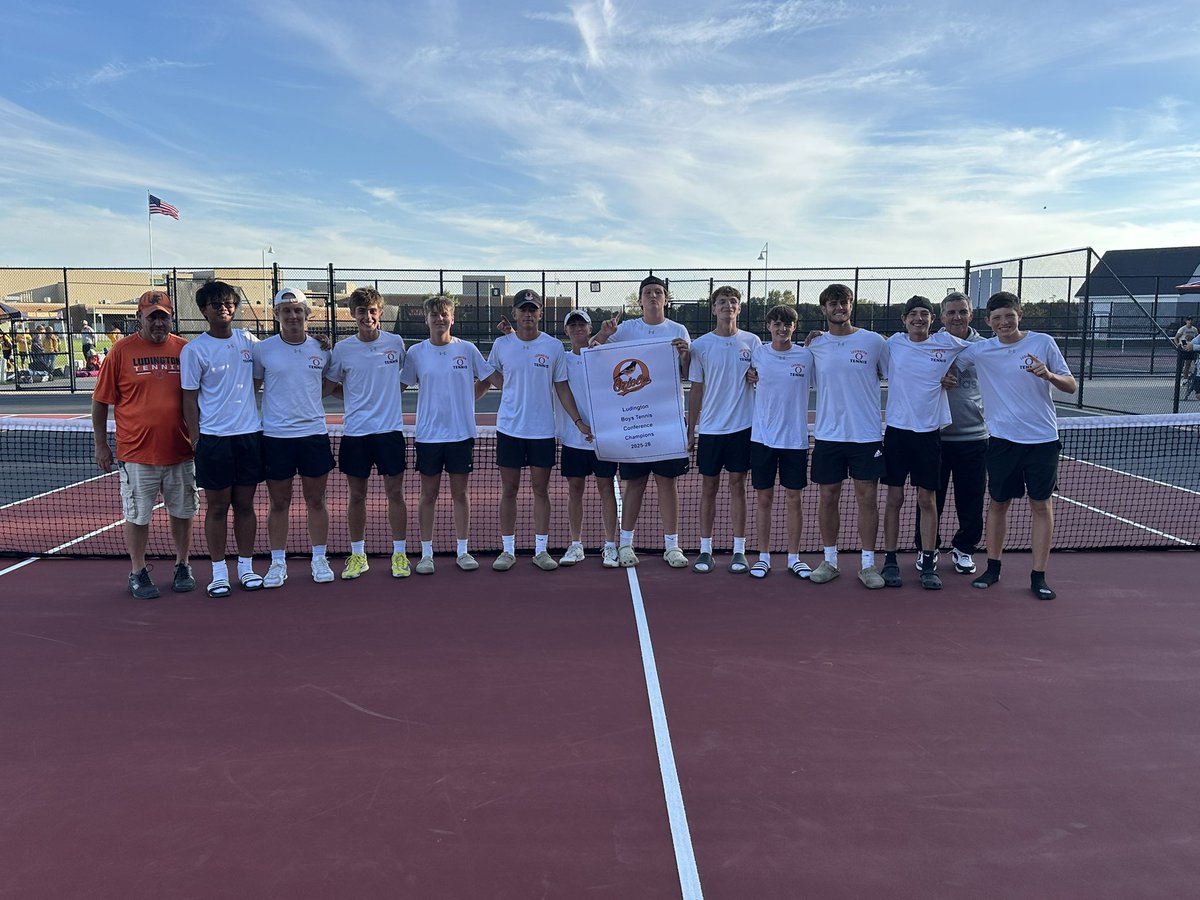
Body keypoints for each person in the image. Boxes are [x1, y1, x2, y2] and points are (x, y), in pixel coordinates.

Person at [955, 291, 1077, 600]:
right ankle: (993, 568)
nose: (1004, 322)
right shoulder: (981, 350)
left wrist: (1048, 374)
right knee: (998, 504)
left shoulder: (1042, 343)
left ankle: (1039, 576)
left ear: (1019, 314)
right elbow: (948, 360)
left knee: (1041, 505)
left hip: (1042, 441)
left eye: (1009, 316)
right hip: (1001, 441)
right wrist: (945, 376)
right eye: (997, 318)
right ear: (988, 322)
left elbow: (1071, 385)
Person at [91, 290, 197, 598]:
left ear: (170, 317)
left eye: (163, 316)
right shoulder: (120, 352)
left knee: (183, 512)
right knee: (138, 516)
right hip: (137, 455)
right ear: (139, 317)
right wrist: (101, 445)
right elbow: (100, 403)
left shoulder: (185, 350)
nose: (159, 322)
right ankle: (137, 572)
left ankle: (183, 565)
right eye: (152, 317)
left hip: (181, 451)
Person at [486, 289, 592, 571]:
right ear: (515, 314)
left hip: (542, 431)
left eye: (533, 309)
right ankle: (507, 550)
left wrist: (578, 421)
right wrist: (507, 386)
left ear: (540, 314)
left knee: (540, 490)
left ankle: (541, 550)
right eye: (523, 309)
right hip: (509, 429)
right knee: (509, 490)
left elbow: (562, 386)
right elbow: (491, 373)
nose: (528, 314)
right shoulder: (502, 344)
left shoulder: (553, 346)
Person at [592, 274, 692, 568]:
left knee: (667, 483)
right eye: (647, 292)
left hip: (666, 423)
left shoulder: (678, 330)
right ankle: (625, 544)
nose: (652, 296)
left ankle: (672, 546)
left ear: (665, 298)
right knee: (634, 484)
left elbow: (686, 373)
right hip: (633, 424)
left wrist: (685, 354)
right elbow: (596, 352)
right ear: (639, 300)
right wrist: (604, 333)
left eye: (658, 292)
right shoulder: (625, 330)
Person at [180, 280, 266, 597]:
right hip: (214, 440)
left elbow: (261, 373)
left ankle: (245, 568)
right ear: (205, 311)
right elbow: (189, 398)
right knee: (217, 508)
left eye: (229, 303)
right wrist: (195, 437)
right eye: (217, 305)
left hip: (249, 437)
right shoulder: (194, 350)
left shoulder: (249, 341)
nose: (225, 308)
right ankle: (219, 572)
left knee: (245, 506)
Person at [399, 295, 495, 574]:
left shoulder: (467, 349)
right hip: (428, 436)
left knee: (460, 494)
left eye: (445, 315)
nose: (439, 319)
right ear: (426, 319)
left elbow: (487, 379)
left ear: (452, 318)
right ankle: (426, 554)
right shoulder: (416, 353)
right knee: (427, 495)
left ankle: (462, 551)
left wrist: (467, 400)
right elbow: (400, 387)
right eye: (434, 315)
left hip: (461, 434)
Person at [878, 296, 969, 590]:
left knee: (927, 500)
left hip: (929, 435)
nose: (918, 318)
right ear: (904, 319)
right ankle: (890, 560)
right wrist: (814, 337)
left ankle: (928, 562)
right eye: (913, 314)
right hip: (897, 434)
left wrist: (954, 372)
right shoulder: (891, 345)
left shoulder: (947, 345)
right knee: (894, 500)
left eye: (924, 314)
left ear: (933, 319)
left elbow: (983, 349)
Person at [805, 283, 889, 589]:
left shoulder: (874, 342)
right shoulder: (814, 346)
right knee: (828, 497)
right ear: (824, 309)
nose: (839, 308)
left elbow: (900, 375)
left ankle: (868, 565)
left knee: (867, 499)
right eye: (833, 303)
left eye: (844, 303)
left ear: (851, 306)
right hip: (828, 435)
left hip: (866, 435)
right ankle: (830, 561)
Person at [324, 287, 410, 580]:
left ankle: (400, 554)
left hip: (389, 432)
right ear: (353, 314)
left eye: (373, 311)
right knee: (356, 496)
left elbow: (406, 378)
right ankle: (358, 555)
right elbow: (331, 384)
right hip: (356, 433)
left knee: (395, 494)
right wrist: (355, 398)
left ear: (380, 313)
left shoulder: (396, 343)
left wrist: (385, 396)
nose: (368, 316)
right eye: (362, 311)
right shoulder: (343, 349)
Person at [252, 287, 335, 588]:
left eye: (298, 310)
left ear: (306, 314)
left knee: (316, 500)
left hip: (313, 434)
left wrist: (310, 397)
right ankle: (277, 563)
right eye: (286, 311)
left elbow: (327, 385)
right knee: (279, 502)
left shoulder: (322, 348)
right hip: (276, 437)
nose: (293, 315)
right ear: (276, 315)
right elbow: (254, 388)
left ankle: (319, 558)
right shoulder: (263, 350)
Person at [686, 285, 761, 574]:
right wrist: (691, 429)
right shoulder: (701, 345)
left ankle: (739, 550)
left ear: (739, 308)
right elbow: (696, 390)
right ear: (713, 309)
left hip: (743, 428)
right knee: (708, 488)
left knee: (738, 488)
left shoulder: (752, 342)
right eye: (721, 302)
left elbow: (763, 376)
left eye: (733, 301)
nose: (727, 305)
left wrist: (757, 376)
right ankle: (705, 550)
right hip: (711, 430)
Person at [913, 291, 989, 575]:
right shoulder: (929, 345)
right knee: (930, 499)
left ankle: (964, 549)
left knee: (971, 499)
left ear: (971, 314)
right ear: (941, 317)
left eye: (962, 311)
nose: (957, 317)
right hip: (935, 437)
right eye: (951, 312)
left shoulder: (986, 347)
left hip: (974, 437)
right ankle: (926, 548)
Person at [746, 304, 813, 579]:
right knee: (764, 499)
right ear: (769, 326)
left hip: (795, 441)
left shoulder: (808, 356)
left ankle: (794, 558)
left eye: (787, 324)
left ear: (794, 327)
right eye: (777, 324)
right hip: (762, 439)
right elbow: (744, 375)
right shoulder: (758, 354)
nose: (782, 329)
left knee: (794, 499)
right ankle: (763, 557)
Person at [555, 309, 619, 567]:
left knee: (606, 489)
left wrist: (605, 334)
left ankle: (611, 545)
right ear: (567, 331)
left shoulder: (603, 356)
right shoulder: (562, 360)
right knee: (575, 490)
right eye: (573, 325)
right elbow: (562, 391)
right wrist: (579, 423)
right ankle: (576, 544)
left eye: (582, 324)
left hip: (604, 438)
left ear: (590, 328)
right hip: (574, 439)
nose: (577, 328)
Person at [1177, 317, 1199, 383]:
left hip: (1192, 347)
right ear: (1186, 321)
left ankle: (1190, 378)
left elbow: (1196, 338)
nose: (1190, 321)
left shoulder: (1194, 329)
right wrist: (1178, 344)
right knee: (1183, 364)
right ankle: (1184, 378)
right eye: (1189, 320)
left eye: (1191, 320)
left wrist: (1193, 345)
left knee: (1190, 363)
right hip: (1184, 346)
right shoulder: (1183, 329)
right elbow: (1176, 337)